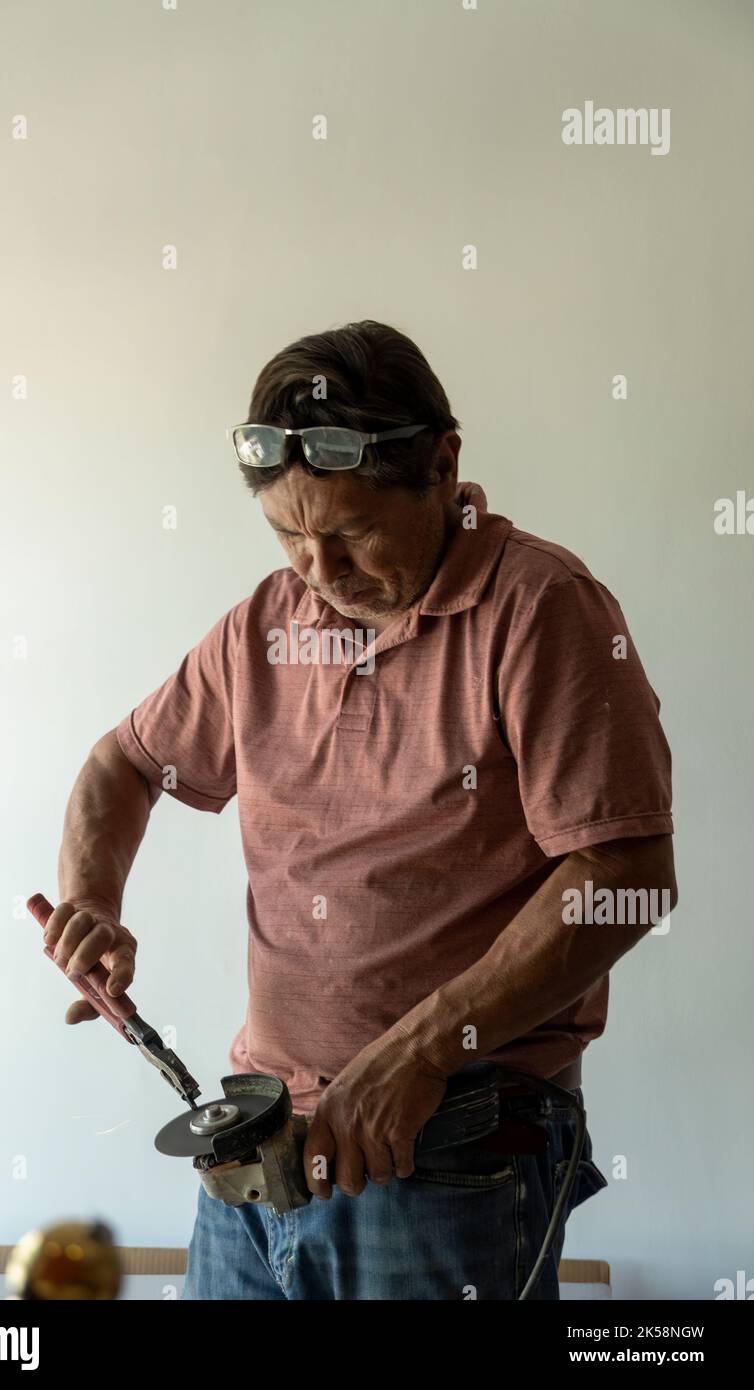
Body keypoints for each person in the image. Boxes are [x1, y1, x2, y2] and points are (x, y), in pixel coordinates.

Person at [44, 319, 676, 1300]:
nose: (316, 570)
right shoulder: (266, 623)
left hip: (453, 1149)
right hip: (258, 1151)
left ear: (441, 463)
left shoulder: (538, 609)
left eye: (348, 532)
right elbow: (122, 764)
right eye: (288, 534)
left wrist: (420, 1051)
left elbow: (626, 878)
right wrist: (92, 900)